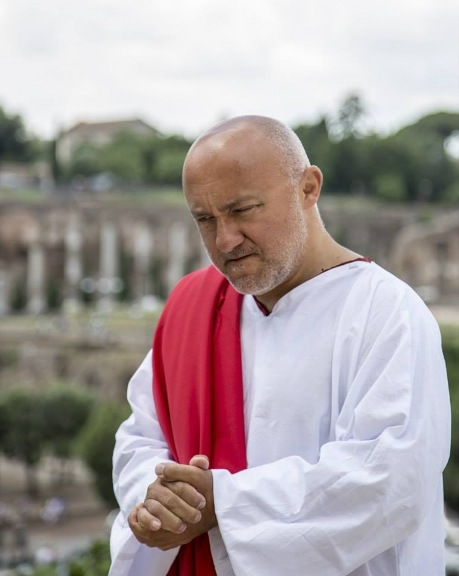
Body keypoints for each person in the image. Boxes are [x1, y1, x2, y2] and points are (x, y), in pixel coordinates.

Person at [109, 115, 451, 576]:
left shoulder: (386, 313)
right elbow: (140, 438)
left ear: (308, 188)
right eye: (205, 220)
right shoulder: (191, 308)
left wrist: (222, 503)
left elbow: (389, 479)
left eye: (243, 210)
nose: (225, 239)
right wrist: (156, 504)